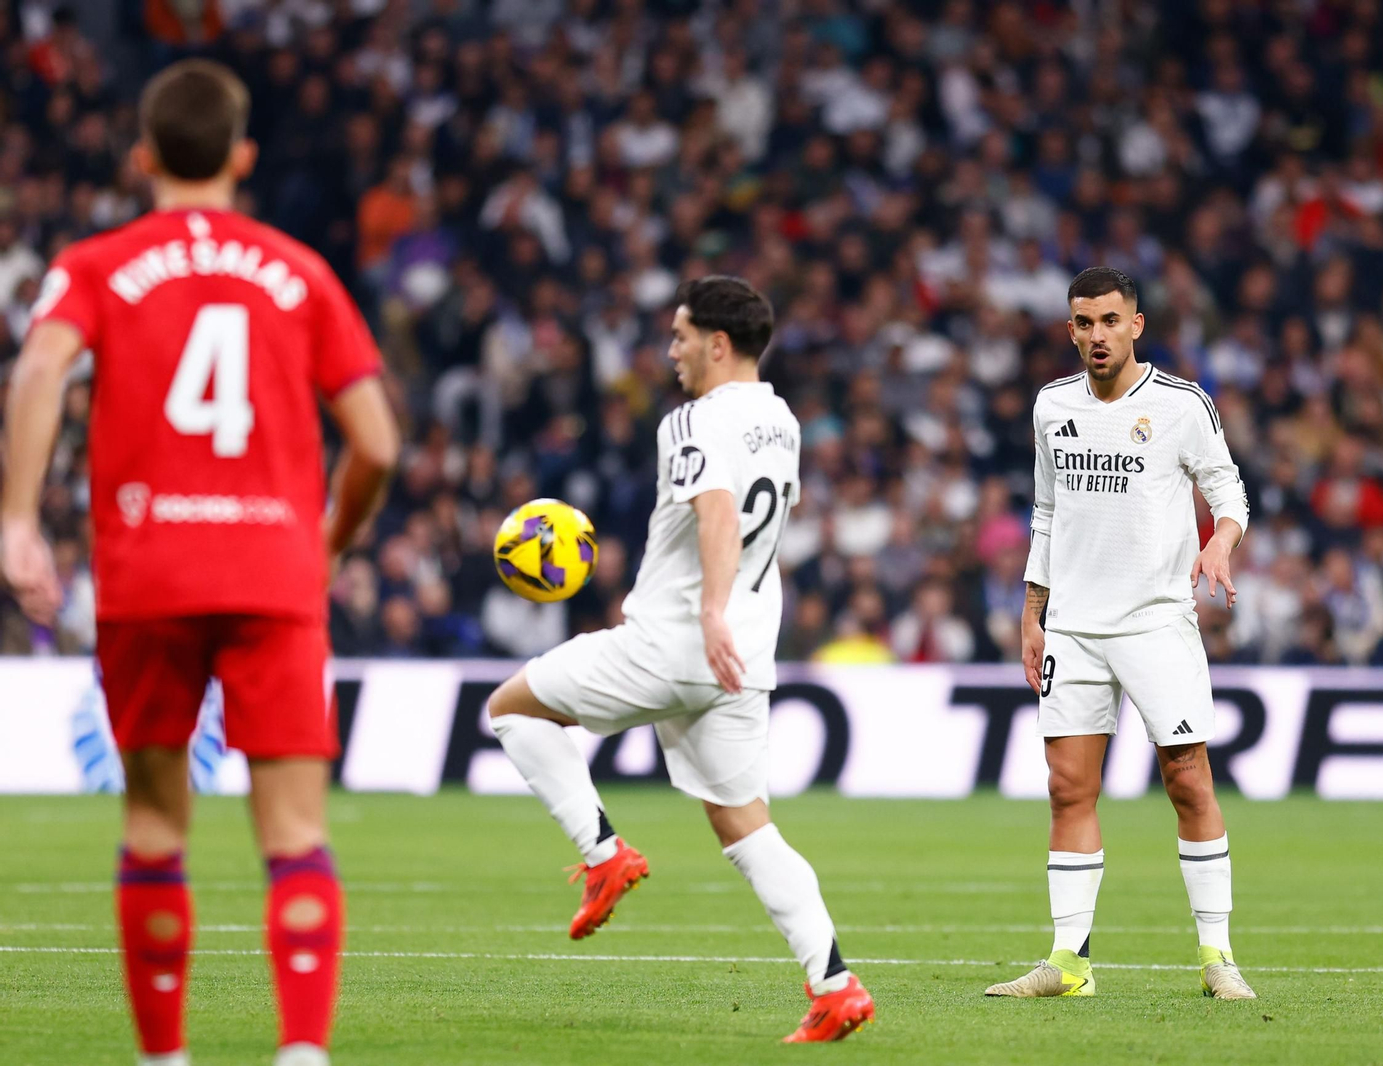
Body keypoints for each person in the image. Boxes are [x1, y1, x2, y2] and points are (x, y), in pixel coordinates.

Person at [0, 61, 400, 1066]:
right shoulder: (299, 270)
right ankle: (301, 1053)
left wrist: (16, 518)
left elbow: (41, 364)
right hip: (272, 574)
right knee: (294, 833)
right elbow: (380, 445)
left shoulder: (94, 265)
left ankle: (164, 1059)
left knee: (151, 825)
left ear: (142, 159)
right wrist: (324, 544)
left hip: (148, 574)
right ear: (243, 156)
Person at [484, 276, 875, 1042]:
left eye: (680, 336)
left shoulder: (690, 421)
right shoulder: (784, 420)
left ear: (717, 344)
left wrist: (708, 611)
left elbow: (719, 513)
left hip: (676, 641)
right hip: (742, 658)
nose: (671, 352)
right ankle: (835, 986)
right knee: (748, 829)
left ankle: (603, 854)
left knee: (508, 708)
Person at [986, 266, 1258, 1001]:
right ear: (1069, 329)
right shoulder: (1050, 406)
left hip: (1154, 623)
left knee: (1189, 779)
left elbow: (1228, 489)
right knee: (1068, 789)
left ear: (1136, 324)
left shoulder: (1180, 404)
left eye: (1110, 321)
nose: (1096, 335)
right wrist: (1032, 614)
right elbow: (1045, 514)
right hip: (1072, 625)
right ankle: (1069, 964)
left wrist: (1220, 541)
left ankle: (1217, 957)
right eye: (1083, 323)